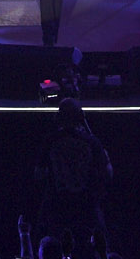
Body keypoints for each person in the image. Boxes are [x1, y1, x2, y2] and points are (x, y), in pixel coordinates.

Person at [34, 98, 113, 242]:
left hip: (57, 205)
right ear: (80, 117)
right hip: (86, 206)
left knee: (53, 242)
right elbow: (108, 174)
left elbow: (38, 174)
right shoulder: (91, 142)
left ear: (58, 117)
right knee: (95, 242)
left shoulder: (49, 141)